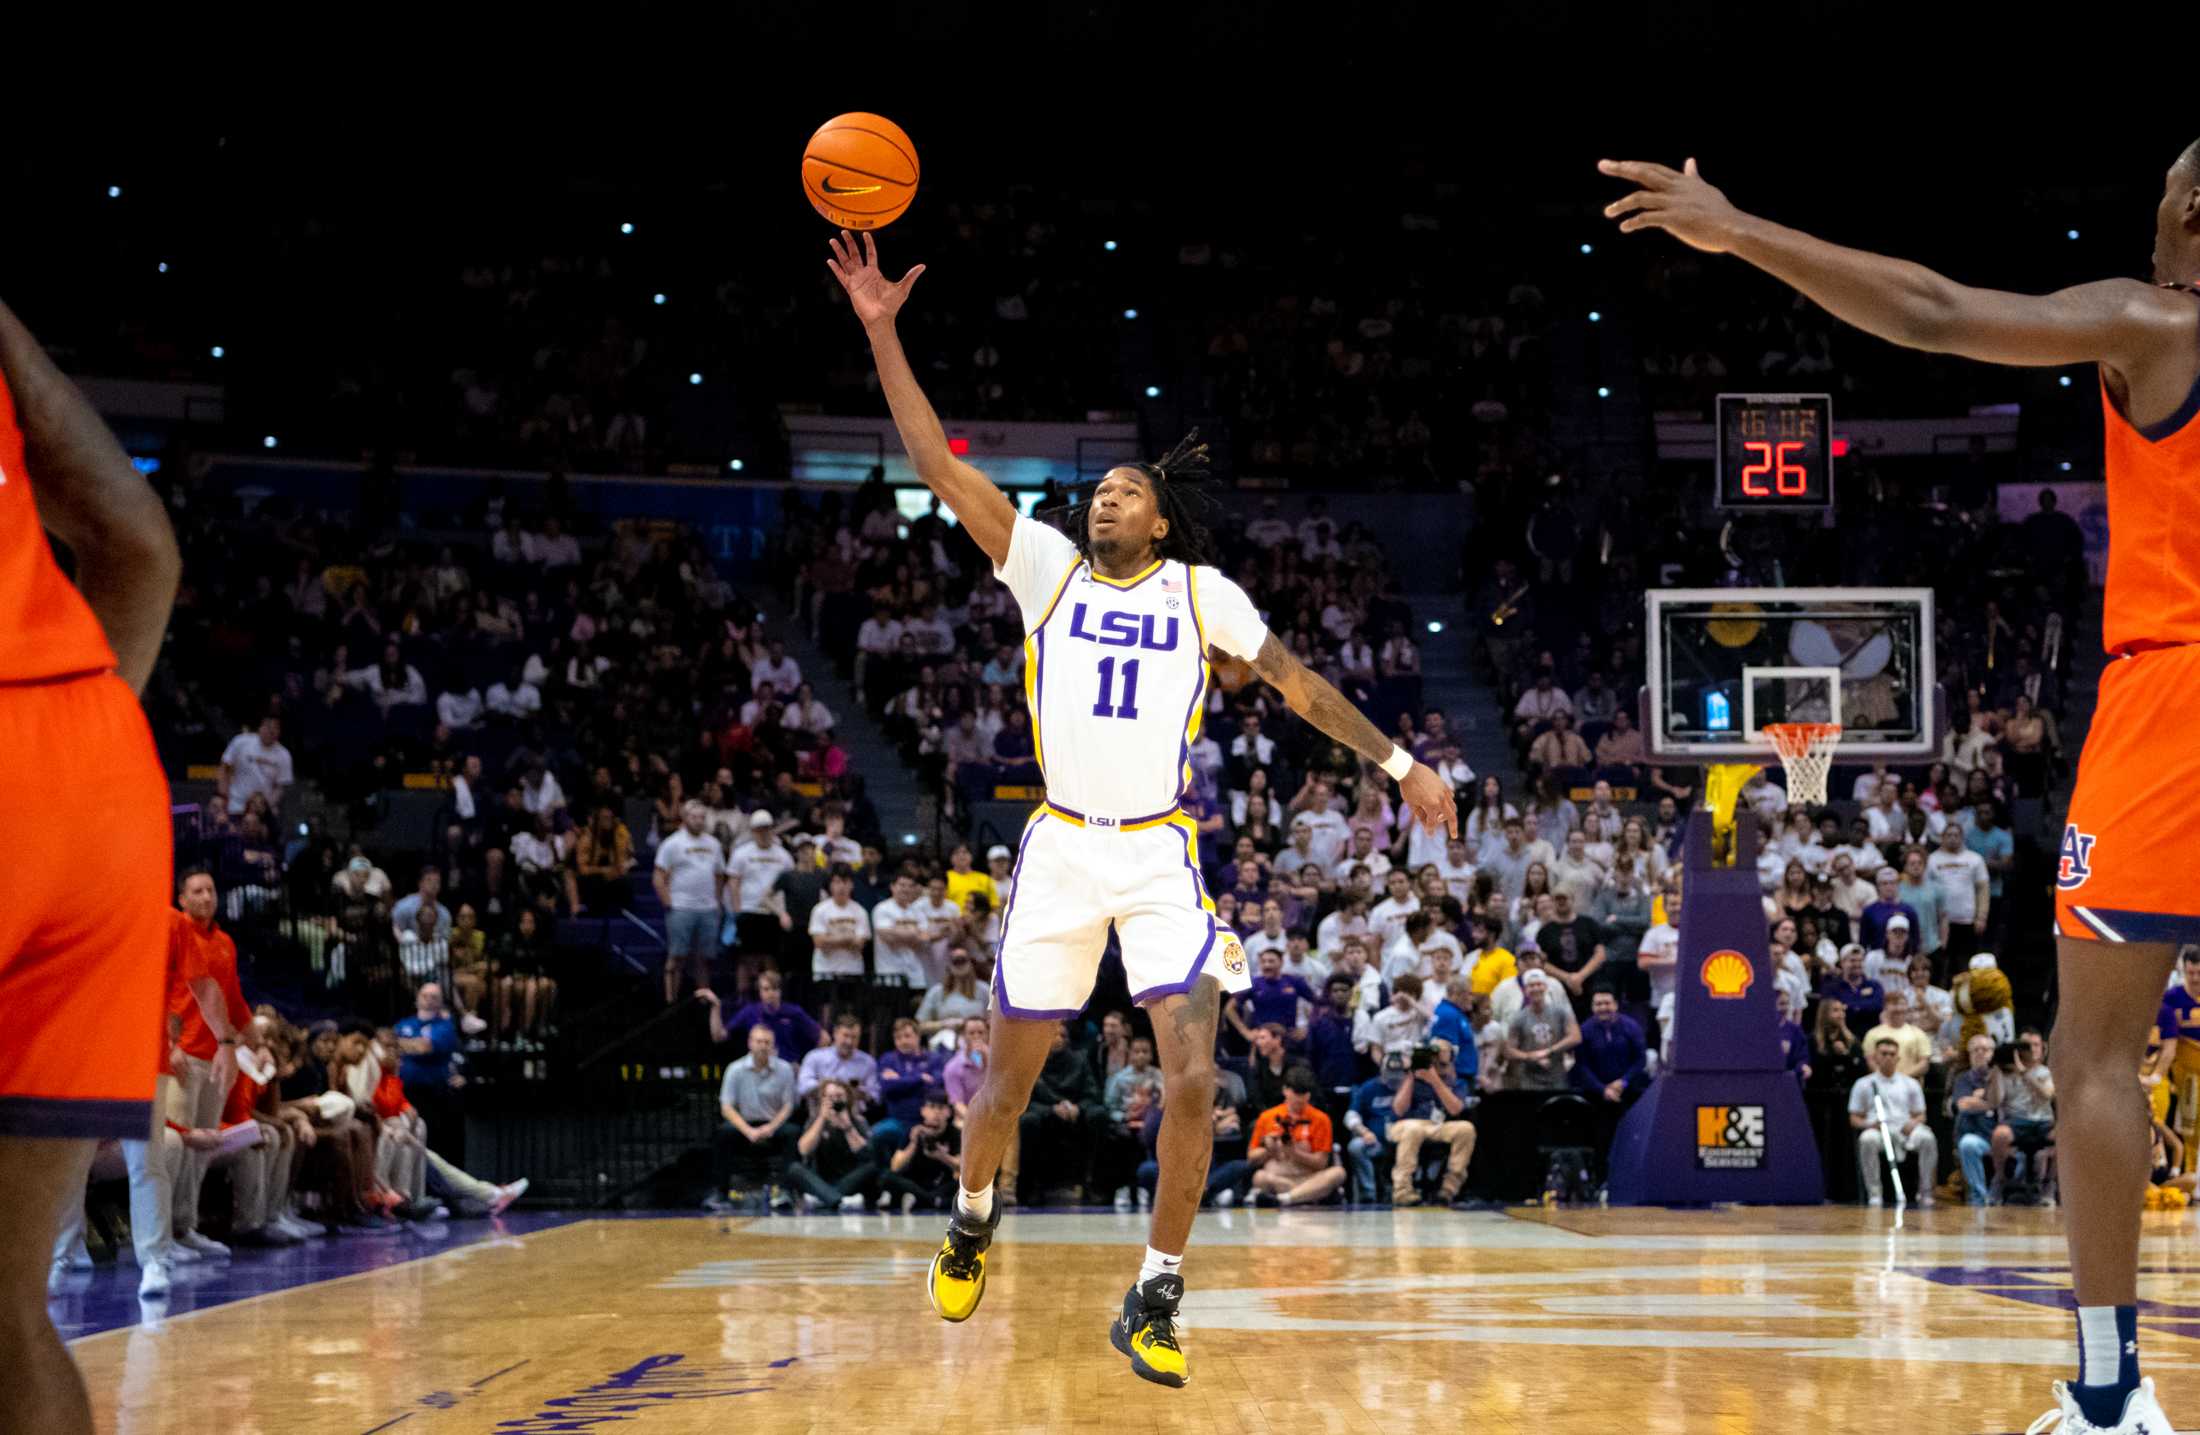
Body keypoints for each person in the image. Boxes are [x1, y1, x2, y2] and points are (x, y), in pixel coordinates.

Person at [1605, 140, 2200, 1434]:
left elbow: (1931, 310)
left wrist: (1742, 229)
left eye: (2159, 185)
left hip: (2178, 702)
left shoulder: (2160, 323)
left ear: (2195, 209)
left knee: (2098, 1051)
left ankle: (2110, 1393)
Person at [828, 226, 1458, 1388]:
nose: (1107, 499)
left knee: (1195, 1083)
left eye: (1126, 492)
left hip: (1160, 855)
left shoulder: (1198, 591)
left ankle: (1156, 1293)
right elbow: (935, 462)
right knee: (1005, 1085)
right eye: (1102, 490)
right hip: (1061, 850)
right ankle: (971, 1218)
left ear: (1159, 520)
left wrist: (1399, 761)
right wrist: (881, 328)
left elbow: (1298, 684)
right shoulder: (1046, 568)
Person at [712, 1026, 797, 1212]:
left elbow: (788, 1105)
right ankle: (720, 1192)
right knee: (723, 1133)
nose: (763, 1046)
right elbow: (726, 1107)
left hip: (773, 1124)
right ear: (750, 1043)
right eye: (759, 1041)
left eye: (767, 1042)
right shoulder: (735, 1069)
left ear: (773, 1046)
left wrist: (771, 1128)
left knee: (792, 1133)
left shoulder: (784, 1069)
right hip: (745, 1124)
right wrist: (748, 1131)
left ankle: (786, 1191)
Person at [1848, 1037, 1938, 1210]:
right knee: (1867, 1139)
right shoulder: (1863, 1084)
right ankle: (1875, 1193)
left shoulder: (1910, 1083)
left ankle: (1925, 1192)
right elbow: (1854, 1118)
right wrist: (1869, 1124)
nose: (1888, 1057)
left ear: (1898, 1057)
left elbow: (1921, 1115)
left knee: (1928, 1138)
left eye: (1892, 1054)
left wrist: (1913, 1123)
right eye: (1884, 1053)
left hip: (1905, 1130)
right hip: (1878, 1130)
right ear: (1875, 1057)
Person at [1242, 1065, 1346, 1208]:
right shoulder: (1267, 1117)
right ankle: (1306, 1196)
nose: (1299, 1101)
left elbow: (1321, 1163)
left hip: (1310, 1177)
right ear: (1285, 1090)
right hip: (1280, 1177)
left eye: (1303, 1097)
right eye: (1295, 1095)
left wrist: (1295, 1152)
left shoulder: (1321, 1119)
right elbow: (1252, 1158)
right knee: (1259, 1177)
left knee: (1338, 1173)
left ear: (1309, 1095)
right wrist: (1270, 1148)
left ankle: (1284, 1199)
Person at [1386, 1040, 1475, 1206]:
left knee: (1466, 1129)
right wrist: (1412, 1075)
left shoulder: (1454, 1081)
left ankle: (1448, 1190)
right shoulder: (1408, 1077)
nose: (1434, 1064)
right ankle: (1402, 1191)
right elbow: (1398, 1110)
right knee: (1413, 1129)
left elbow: (1455, 1109)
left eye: (1440, 1061)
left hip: (1438, 1126)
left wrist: (1435, 1080)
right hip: (1407, 1124)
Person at [785, 1077, 878, 1213]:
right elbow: (804, 1150)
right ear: (822, 1100)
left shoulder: (858, 1121)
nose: (835, 1100)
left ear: (847, 1099)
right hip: (820, 1179)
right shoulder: (814, 1121)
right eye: (830, 1097)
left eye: (839, 1096)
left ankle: (826, 1198)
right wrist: (822, 1119)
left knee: (874, 1167)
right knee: (794, 1169)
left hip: (848, 1180)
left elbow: (866, 1154)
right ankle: (837, 1199)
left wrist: (848, 1128)